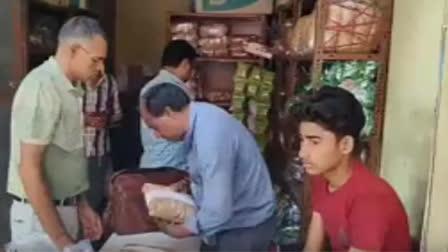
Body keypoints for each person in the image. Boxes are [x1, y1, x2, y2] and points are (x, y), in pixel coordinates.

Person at [7, 16, 107, 251]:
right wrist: (62, 241)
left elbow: (65, 158)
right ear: (74, 50)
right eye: (96, 60)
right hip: (39, 218)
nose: (100, 69)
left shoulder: (71, 89)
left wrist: (81, 205)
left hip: (63, 210)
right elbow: (29, 169)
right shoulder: (42, 87)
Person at [140, 83, 276, 251]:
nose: (157, 135)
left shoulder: (210, 136)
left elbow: (219, 210)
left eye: (155, 127)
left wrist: (181, 230)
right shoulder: (199, 115)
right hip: (231, 222)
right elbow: (208, 175)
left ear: (168, 112)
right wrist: (180, 188)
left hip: (243, 227)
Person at [297, 86, 411, 252]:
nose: (302, 153)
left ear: (345, 145)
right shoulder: (322, 178)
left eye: (314, 142)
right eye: (302, 140)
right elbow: (312, 246)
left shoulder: (370, 198)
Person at [139, 40, 197, 169]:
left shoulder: (149, 87)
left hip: (151, 163)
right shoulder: (175, 90)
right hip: (171, 167)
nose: (193, 73)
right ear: (186, 64)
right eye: (193, 67)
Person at [83, 71, 122, 213]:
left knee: (97, 200)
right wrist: (84, 119)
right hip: (73, 154)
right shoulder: (71, 80)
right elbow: (59, 116)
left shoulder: (109, 82)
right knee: (75, 204)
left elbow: (117, 115)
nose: (99, 65)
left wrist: (107, 119)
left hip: (101, 153)